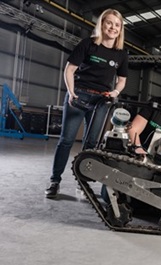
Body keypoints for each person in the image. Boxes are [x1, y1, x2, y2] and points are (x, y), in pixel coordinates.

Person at [45, 9, 128, 198]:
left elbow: (121, 80)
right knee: (66, 140)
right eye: (109, 23)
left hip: (101, 100)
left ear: (120, 29)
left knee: (90, 144)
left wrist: (115, 92)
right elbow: (70, 69)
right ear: (102, 24)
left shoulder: (121, 54)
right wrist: (71, 92)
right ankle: (54, 181)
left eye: (117, 24)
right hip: (79, 96)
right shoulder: (88, 44)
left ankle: (82, 183)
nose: (113, 27)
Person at [100, 74, 161, 204]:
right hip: (141, 156)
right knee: (108, 196)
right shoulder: (157, 104)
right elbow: (133, 129)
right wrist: (139, 148)